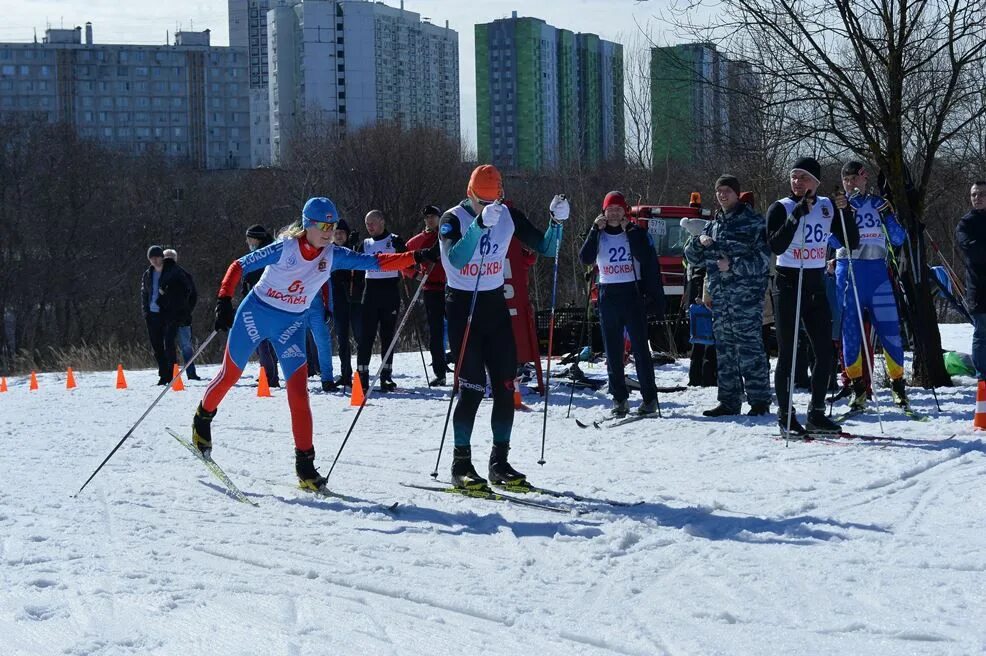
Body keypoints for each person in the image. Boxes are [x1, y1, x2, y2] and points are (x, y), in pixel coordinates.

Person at [191, 197, 435, 491]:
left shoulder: (332, 254)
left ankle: (305, 465)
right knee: (230, 375)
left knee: (299, 393)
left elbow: (376, 261)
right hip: (256, 313)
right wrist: (223, 300)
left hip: (291, 323)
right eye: (322, 226)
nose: (329, 232)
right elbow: (239, 265)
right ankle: (203, 417)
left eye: (332, 226)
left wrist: (415, 257)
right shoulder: (285, 248)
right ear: (307, 225)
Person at [439, 164, 566, 489]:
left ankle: (500, 462)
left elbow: (548, 247)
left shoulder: (507, 214)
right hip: (464, 306)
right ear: (470, 195)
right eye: (481, 202)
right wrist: (479, 226)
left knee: (506, 386)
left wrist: (558, 223)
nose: (488, 208)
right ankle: (461, 464)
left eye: (493, 201)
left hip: (495, 306)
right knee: (472, 389)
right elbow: (455, 259)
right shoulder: (452, 219)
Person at [767, 157, 859, 436]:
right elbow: (775, 244)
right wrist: (797, 214)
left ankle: (817, 413)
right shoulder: (781, 207)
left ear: (816, 182)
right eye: (794, 177)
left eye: (803, 177)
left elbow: (851, 241)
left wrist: (845, 213)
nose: (797, 182)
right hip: (789, 282)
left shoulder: (828, 206)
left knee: (824, 351)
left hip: (815, 282)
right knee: (788, 354)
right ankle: (785, 416)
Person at [685, 175, 771, 417]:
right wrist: (696, 241)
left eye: (727, 191)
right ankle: (729, 401)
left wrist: (733, 264)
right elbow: (693, 259)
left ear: (736, 193)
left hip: (746, 299)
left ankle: (760, 401)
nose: (723, 195)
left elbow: (763, 261)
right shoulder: (713, 225)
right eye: (719, 191)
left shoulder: (754, 222)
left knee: (750, 350)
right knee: (725, 351)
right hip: (721, 301)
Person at [832, 161, 908, 411]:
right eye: (847, 180)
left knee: (889, 329)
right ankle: (857, 389)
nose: (851, 184)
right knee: (850, 333)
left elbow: (898, 237)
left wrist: (887, 214)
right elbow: (831, 240)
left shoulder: (878, 204)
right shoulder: (839, 206)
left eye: (855, 179)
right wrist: (844, 215)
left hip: (876, 272)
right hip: (849, 272)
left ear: (865, 179)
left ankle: (898, 386)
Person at [579, 191, 663, 417]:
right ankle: (619, 399)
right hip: (608, 293)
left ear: (624, 211)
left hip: (632, 292)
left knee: (640, 349)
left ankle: (649, 398)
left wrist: (630, 230)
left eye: (618, 209)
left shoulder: (635, 232)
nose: (614, 213)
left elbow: (645, 257)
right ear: (603, 212)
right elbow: (585, 258)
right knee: (613, 351)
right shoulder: (598, 233)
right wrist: (594, 230)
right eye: (610, 209)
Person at [357, 210, 406, 393]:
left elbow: (406, 259)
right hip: (370, 292)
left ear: (382, 222)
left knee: (387, 336)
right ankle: (362, 375)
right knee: (366, 336)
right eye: (367, 224)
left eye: (373, 223)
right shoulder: (366, 243)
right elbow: (355, 264)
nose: (369, 227)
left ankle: (386, 376)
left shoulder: (392, 240)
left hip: (389, 291)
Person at [404, 205, 448, 386]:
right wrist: (415, 274)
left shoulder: (447, 236)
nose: (430, 220)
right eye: (427, 217)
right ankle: (440, 372)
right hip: (430, 289)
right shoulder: (417, 241)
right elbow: (403, 261)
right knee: (436, 333)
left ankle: (465, 370)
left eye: (434, 216)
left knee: (458, 329)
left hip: (451, 288)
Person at [680, 216, 717, 386]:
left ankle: (697, 377)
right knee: (707, 339)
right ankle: (705, 377)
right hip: (701, 295)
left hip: (694, 294)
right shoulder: (698, 248)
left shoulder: (690, 248)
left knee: (699, 338)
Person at [140, 245, 184, 385]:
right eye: (152, 258)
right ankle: (163, 375)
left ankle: (173, 373)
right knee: (157, 347)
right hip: (152, 315)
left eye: (157, 257)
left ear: (162, 257)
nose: (155, 260)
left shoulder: (171, 272)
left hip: (168, 314)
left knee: (169, 344)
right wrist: (145, 311)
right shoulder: (148, 274)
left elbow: (180, 290)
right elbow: (144, 293)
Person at [956, 181, 986, 382]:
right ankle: (982, 376)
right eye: (974, 194)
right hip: (978, 288)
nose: (978, 197)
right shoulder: (965, 223)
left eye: (982, 194)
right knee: (982, 332)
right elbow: (971, 249)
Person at [244, 224, 280, 388]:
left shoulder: (261, 255)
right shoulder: (270, 251)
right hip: (272, 304)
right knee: (268, 342)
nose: (248, 242)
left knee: (262, 342)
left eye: (249, 238)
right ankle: (270, 375)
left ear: (256, 239)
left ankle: (269, 376)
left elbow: (252, 276)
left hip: (262, 303)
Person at [329, 219, 364, 388]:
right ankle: (345, 374)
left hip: (355, 300)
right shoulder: (329, 252)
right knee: (342, 339)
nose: (339, 236)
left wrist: (353, 245)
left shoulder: (353, 249)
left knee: (360, 337)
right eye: (336, 233)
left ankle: (362, 373)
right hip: (338, 301)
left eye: (342, 233)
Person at [162, 248, 201, 380]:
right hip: (184, 316)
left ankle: (171, 374)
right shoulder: (184, 274)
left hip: (167, 317)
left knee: (168, 345)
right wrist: (188, 310)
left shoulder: (160, 275)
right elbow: (194, 295)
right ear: (176, 258)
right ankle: (191, 373)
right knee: (186, 346)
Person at [306, 283, 337, 392]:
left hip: (316, 307)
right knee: (296, 346)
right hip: (297, 306)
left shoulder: (319, 265)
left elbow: (327, 285)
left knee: (323, 343)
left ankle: (327, 380)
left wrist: (329, 309)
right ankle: (297, 381)